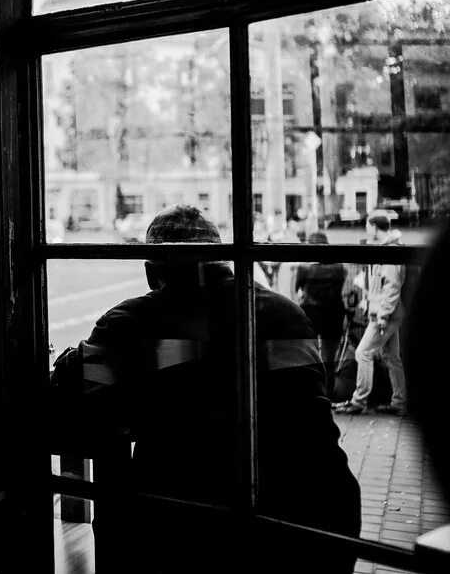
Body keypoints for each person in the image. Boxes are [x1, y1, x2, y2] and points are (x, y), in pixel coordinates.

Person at [50, 205, 360, 572]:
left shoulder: (138, 319)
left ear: (151, 271)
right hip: (320, 508)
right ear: (223, 259)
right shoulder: (287, 312)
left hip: (191, 521)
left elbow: (73, 387)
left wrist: (71, 359)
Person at [334, 213, 408, 416]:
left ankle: (359, 400)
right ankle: (399, 402)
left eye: (367, 226)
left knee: (363, 353)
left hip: (385, 315)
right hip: (389, 313)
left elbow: (391, 286)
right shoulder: (390, 249)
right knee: (392, 358)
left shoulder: (390, 252)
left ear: (374, 227)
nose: (366, 231)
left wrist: (382, 314)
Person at [295, 232, 348, 399]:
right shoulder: (339, 268)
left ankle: (310, 393)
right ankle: (328, 395)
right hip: (333, 314)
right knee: (328, 359)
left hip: (311, 314)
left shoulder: (304, 268)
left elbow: (299, 288)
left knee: (308, 355)